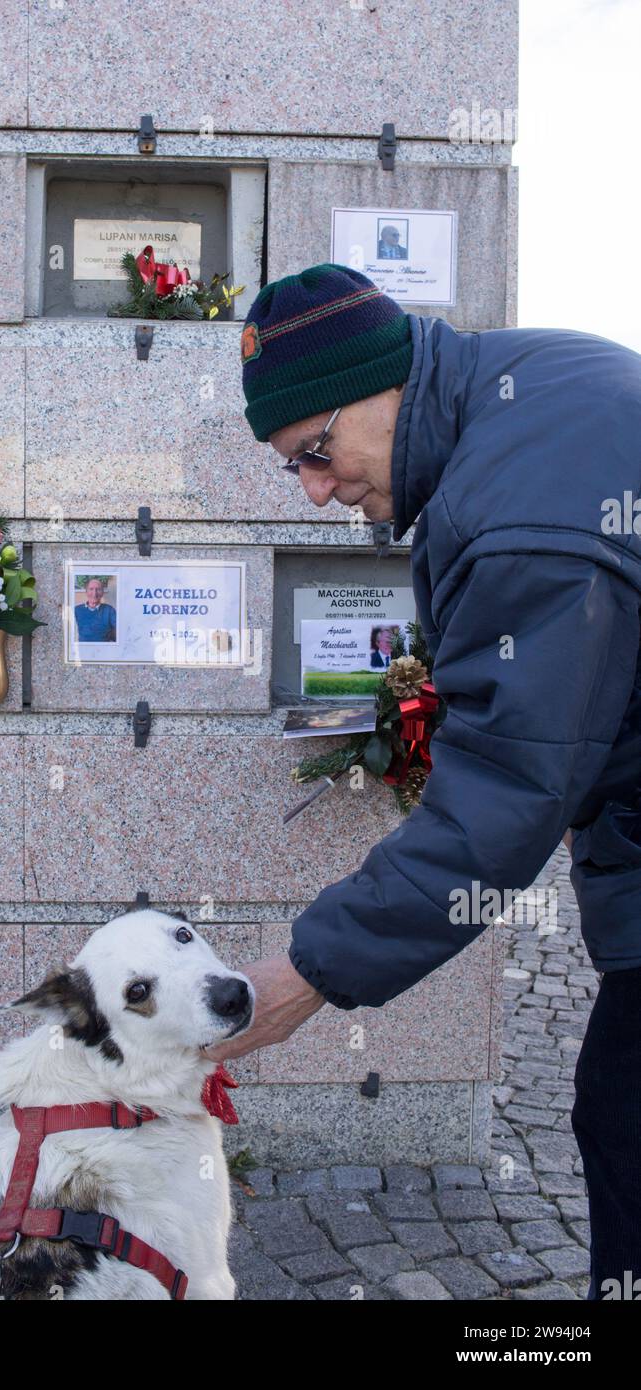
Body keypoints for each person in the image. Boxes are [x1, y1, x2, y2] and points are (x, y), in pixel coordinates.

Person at [202, 262, 641, 1301]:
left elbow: (503, 796)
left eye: (316, 451)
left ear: (382, 384)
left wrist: (308, 971)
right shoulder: (524, 389)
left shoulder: (520, 513)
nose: (314, 489)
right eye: (289, 469)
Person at [74, 576, 116, 642]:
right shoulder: (77, 610)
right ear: (86, 591)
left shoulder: (110, 610)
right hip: (84, 649)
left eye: (98, 589)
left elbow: (119, 633)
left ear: (102, 592)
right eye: (91, 589)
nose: (94, 593)